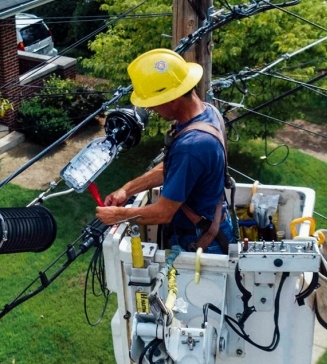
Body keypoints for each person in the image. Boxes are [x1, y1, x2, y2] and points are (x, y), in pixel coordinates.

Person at [95, 48, 234, 254]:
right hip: (211, 224)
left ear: (172, 99)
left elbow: (163, 213)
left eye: (153, 104)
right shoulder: (207, 112)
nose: (151, 110)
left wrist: (118, 215)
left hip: (200, 241)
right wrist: (128, 189)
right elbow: (172, 169)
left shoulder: (192, 146)